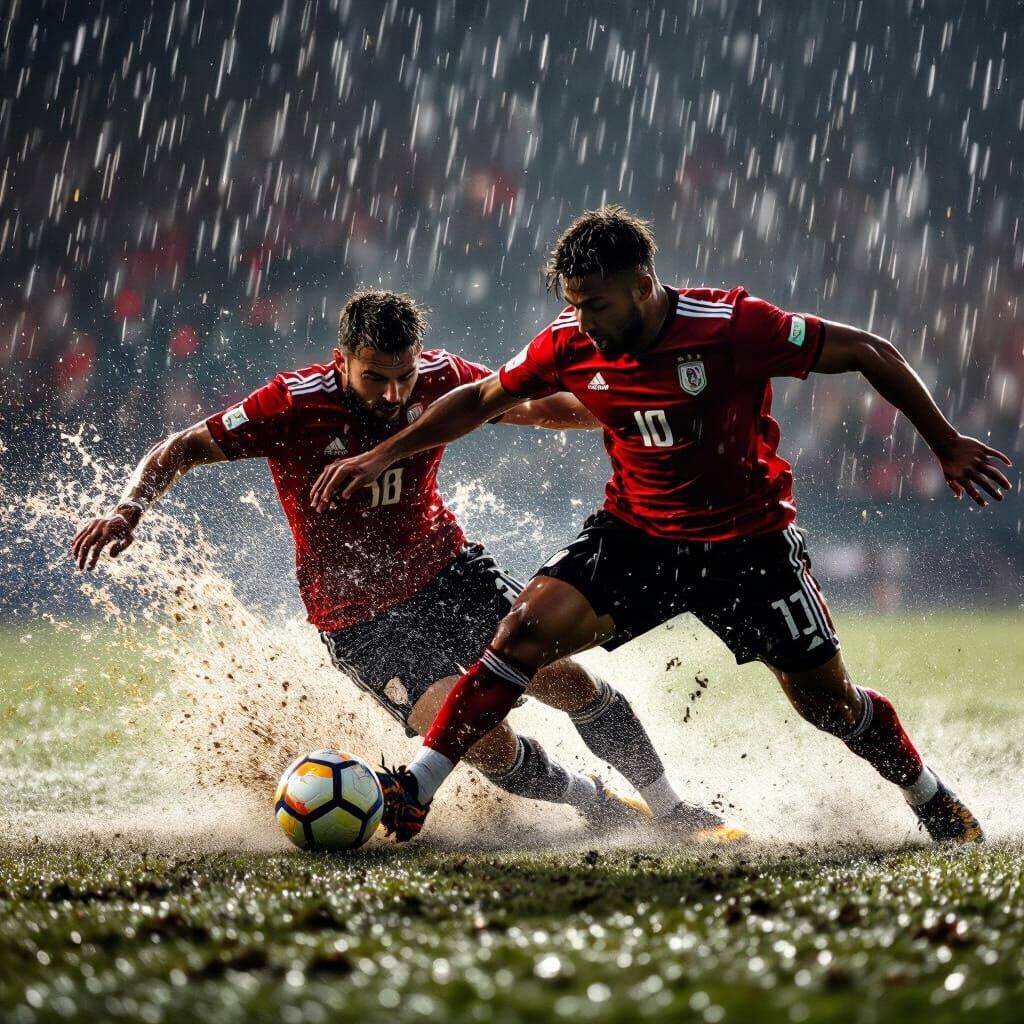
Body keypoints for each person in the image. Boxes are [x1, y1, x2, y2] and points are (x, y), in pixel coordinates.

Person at [313, 207, 1014, 844]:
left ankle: (929, 795)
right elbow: (480, 398)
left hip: (750, 545)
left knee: (829, 705)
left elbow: (867, 350)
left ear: (643, 285)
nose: (582, 321)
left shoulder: (733, 327)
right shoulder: (568, 340)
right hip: (638, 535)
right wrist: (383, 456)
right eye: (573, 304)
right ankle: (420, 785)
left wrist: (945, 442)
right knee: (522, 633)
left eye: (596, 305)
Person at [71, 288, 741, 842]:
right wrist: (128, 511)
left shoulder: (444, 377)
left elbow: (533, 406)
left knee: (564, 679)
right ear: (341, 363)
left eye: (404, 376)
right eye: (375, 378)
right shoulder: (291, 404)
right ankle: (591, 802)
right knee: (481, 738)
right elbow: (181, 447)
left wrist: (632, 413)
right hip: (358, 621)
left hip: (449, 572)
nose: (394, 395)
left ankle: (673, 808)